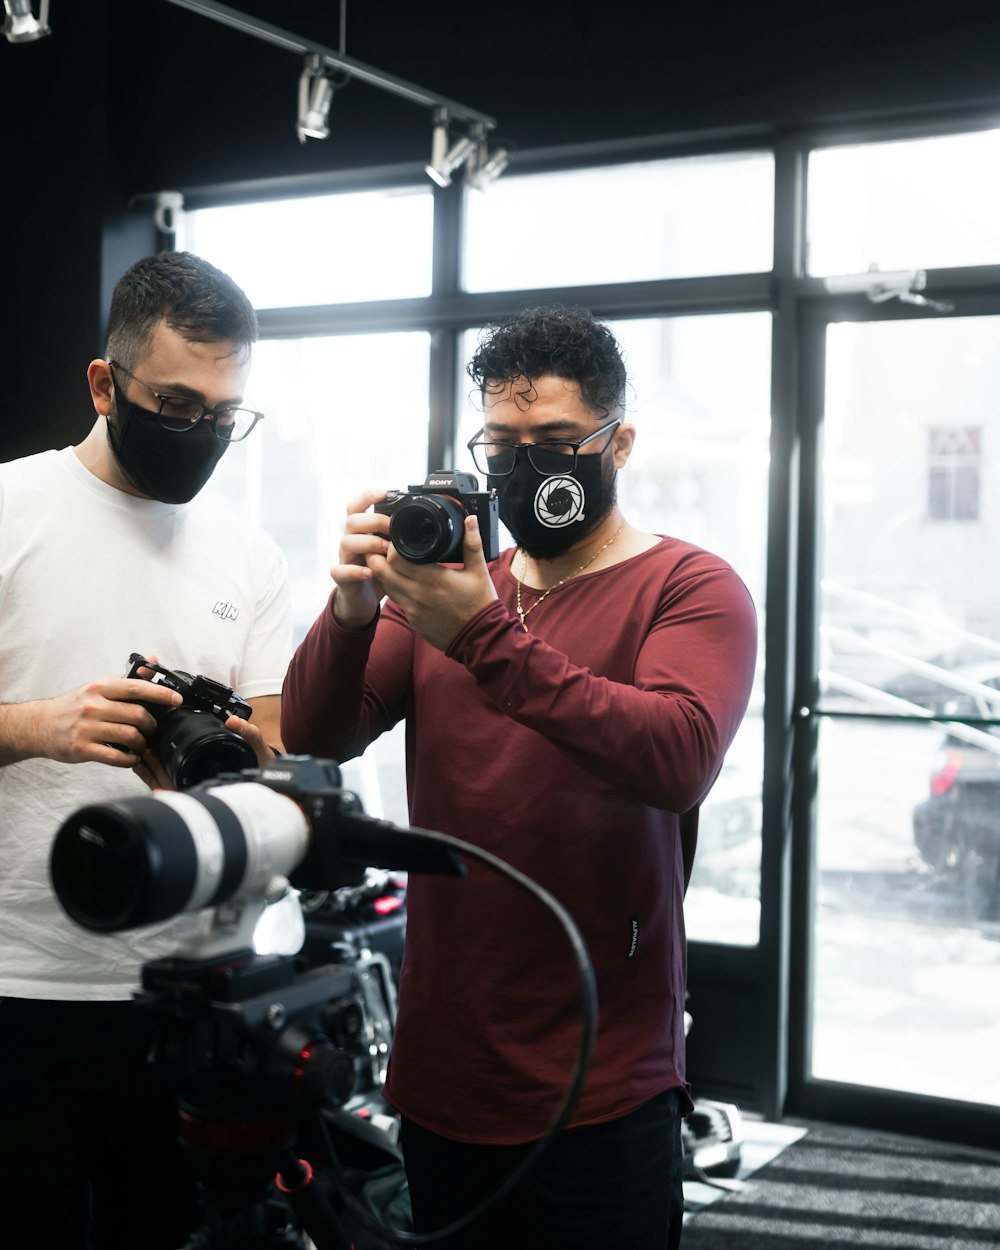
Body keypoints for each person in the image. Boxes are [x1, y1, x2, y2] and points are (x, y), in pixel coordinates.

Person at [281, 305, 758, 1249]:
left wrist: (482, 634)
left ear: (617, 443)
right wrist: (348, 610)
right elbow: (317, 730)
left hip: (604, 1072)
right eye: (501, 441)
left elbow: (677, 755)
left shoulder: (691, 587)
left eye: (553, 440)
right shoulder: (443, 592)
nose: (524, 463)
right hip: (445, 1062)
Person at [0, 250, 292, 1248]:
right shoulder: (10, 510)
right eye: (175, 402)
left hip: (185, 982)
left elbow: (272, 751)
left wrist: (229, 759)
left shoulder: (248, 552)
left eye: (225, 411)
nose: (201, 430)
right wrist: (40, 725)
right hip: (20, 980)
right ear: (103, 383)